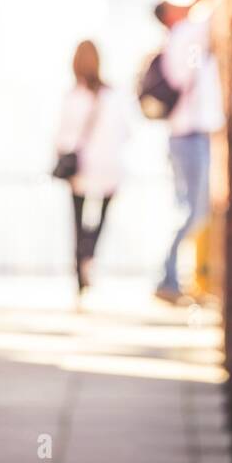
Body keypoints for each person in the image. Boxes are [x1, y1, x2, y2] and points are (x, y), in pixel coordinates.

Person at [153, 0, 225, 305]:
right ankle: (167, 277)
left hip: (186, 134)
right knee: (194, 211)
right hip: (189, 135)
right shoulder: (184, 34)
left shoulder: (177, 41)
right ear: (169, 15)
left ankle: (170, 278)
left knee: (192, 210)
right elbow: (208, 14)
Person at [55, 41, 129, 294]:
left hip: (81, 168)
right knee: (101, 219)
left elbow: (63, 136)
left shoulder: (73, 96)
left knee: (77, 220)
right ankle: (89, 252)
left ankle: (79, 270)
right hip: (109, 167)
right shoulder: (114, 95)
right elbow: (125, 132)